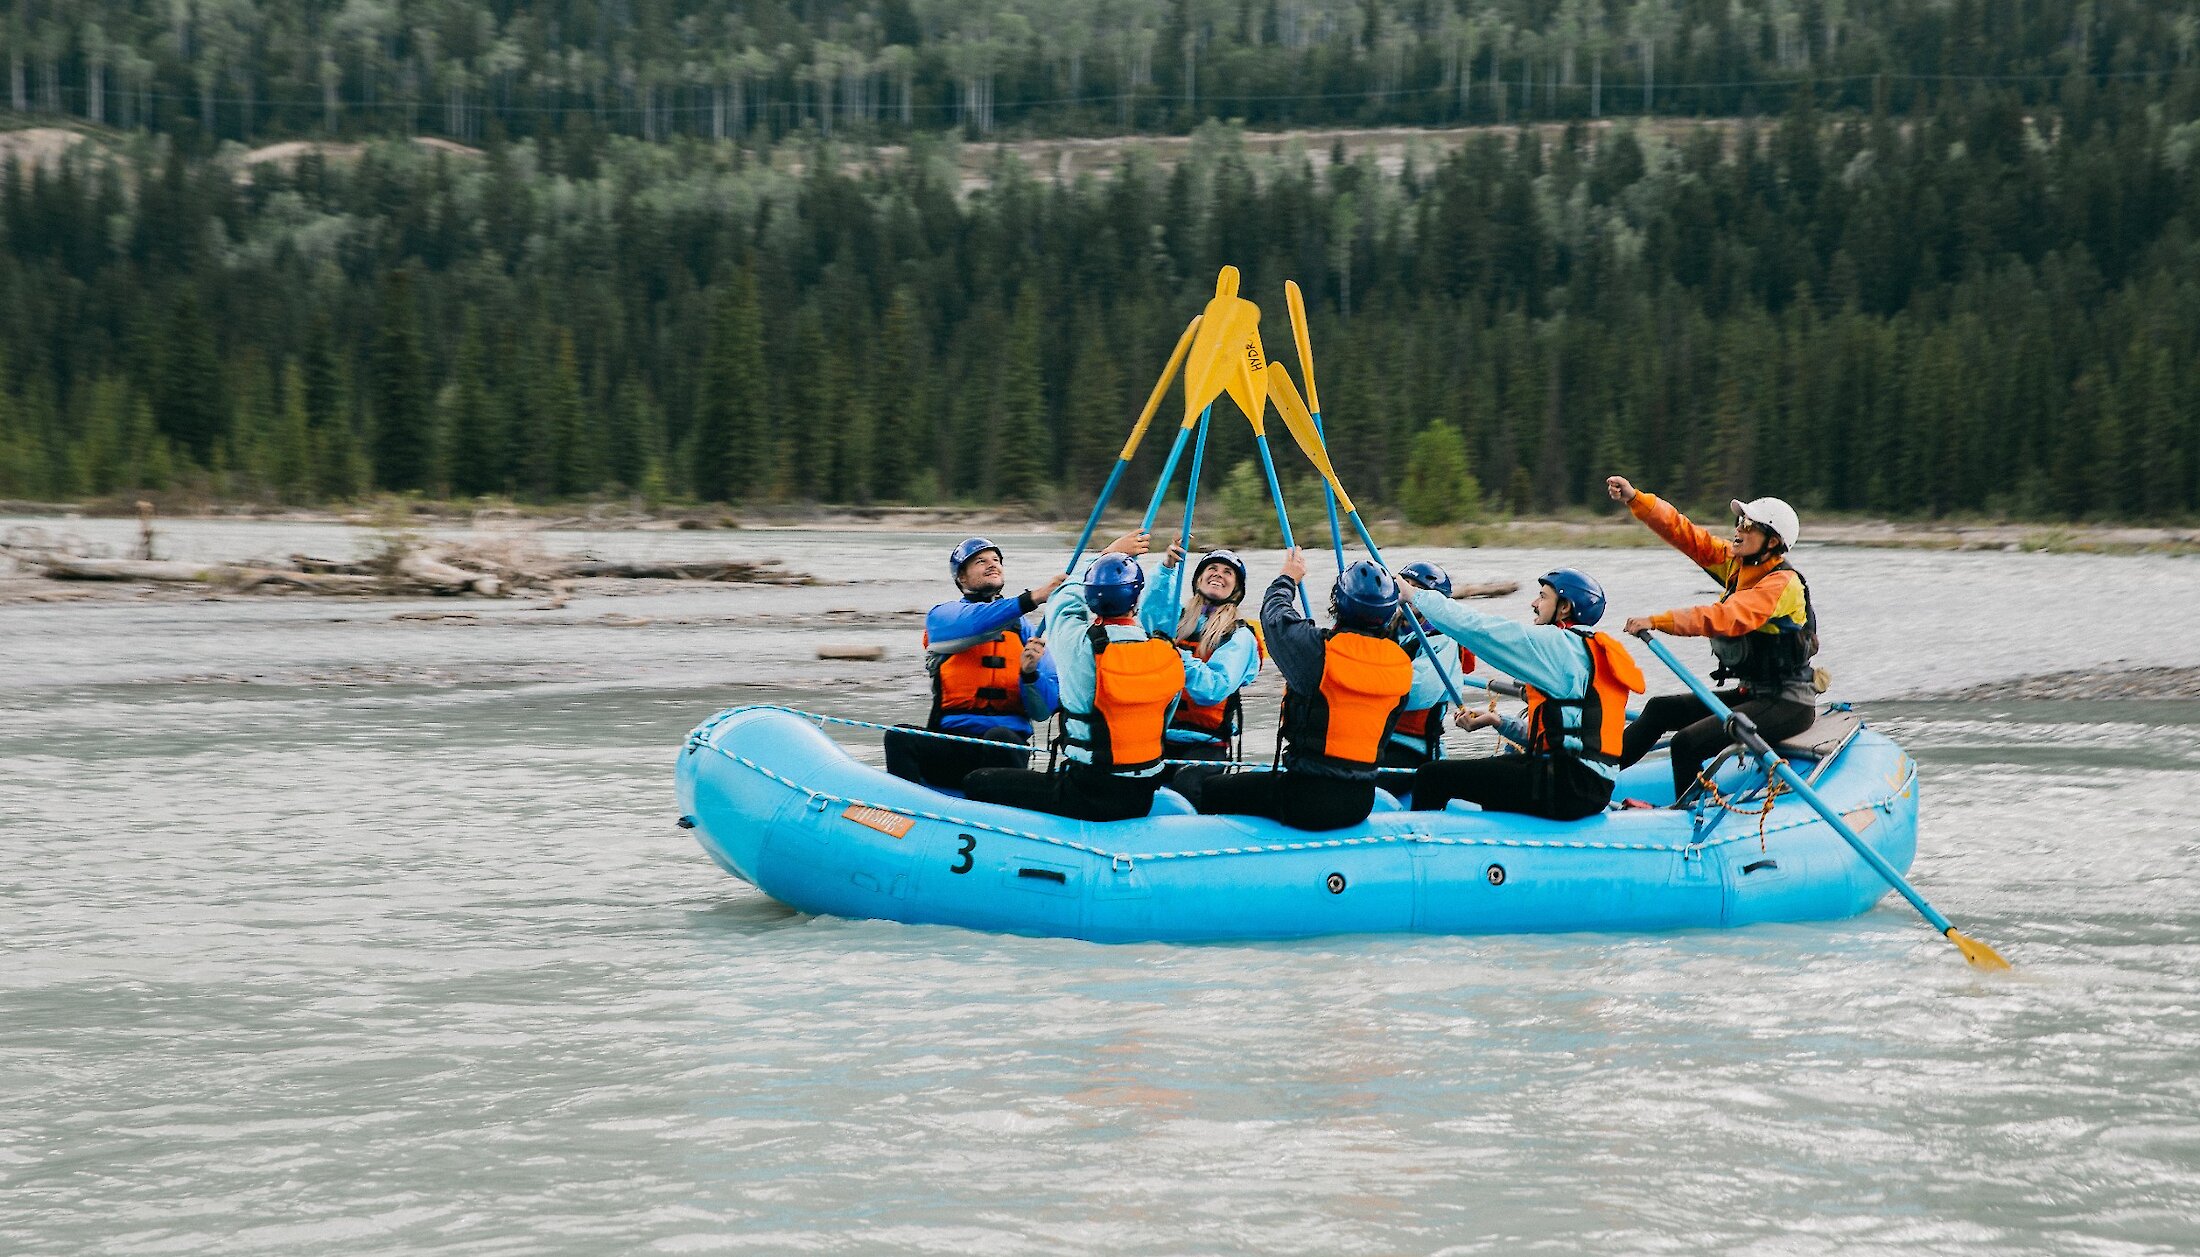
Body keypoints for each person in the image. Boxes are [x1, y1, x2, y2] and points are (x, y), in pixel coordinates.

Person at [1605, 477, 1821, 800]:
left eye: (1749, 525)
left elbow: (1724, 617)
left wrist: (1657, 621)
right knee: (1659, 709)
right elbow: (1686, 534)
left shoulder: (1782, 586)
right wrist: (1636, 499)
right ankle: (1593, 775)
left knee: (1686, 743)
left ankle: (1690, 818)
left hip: (1787, 703)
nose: (1739, 529)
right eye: (1740, 522)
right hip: (1755, 693)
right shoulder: (1738, 564)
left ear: (1773, 543)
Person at [1172, 551, 1414, 831]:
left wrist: (1288, 578)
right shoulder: (1401, 662)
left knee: (1209, 789)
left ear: (1339, 603)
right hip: (1360, 800)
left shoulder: (1318, 651)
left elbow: (1275, 615)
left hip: (1305, 798)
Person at [964, 535, 1187, 822]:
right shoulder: (1166, 653)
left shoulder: (1078, 645)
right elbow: (1164, 716)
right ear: (1137, 599)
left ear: (1092, 597)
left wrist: (1107, 553)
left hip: (1087, 792)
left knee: (978, 780)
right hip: (1142, 793)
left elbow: (1063, 597)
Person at [1403, 569, 1645, 819]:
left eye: (1542, 597)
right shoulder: (1586, 646)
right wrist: (1497, 720)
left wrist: (1413, 595)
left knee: (1432, 775)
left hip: (1568, 784)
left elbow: (1481, 630)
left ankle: (1418, 848)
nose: (1534, 603)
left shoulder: (1560, 647)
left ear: (1564, 608)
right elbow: (1561, 734)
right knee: (1489, 771)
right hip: (1585, 782)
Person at [884, 536, 1064, 790]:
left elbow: (1043, 710)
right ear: (962, 578)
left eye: (996, 560)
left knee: (998, 738)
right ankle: (902, 815)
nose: (992, 565)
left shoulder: (1027, 633)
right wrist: (1033, 598)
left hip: (1004, 748)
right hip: (952, 748)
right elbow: (977, 622)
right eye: (981, 561)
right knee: (899, 736)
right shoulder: (943, 618)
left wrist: (1030, 675)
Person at [1139, 544, 1264, 772]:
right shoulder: (1178, 618)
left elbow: (1212, 689)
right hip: (1160, 735)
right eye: (1212, 568)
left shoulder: (1239, 635)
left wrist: (1174, 655)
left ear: (1236, 589)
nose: (1218, 574)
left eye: (1228, 572)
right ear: (1199, 580)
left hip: (1207, 743)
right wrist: (1167, 568)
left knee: (1186, 781)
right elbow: (1151, 616)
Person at [1381, 560, 1477, 769]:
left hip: (1413, 748)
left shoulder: (1442, 640)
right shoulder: (1386, 631)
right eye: (1404, 584)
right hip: (1377, 738)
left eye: (1416, 588)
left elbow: (1418, 693)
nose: (1407, 592)